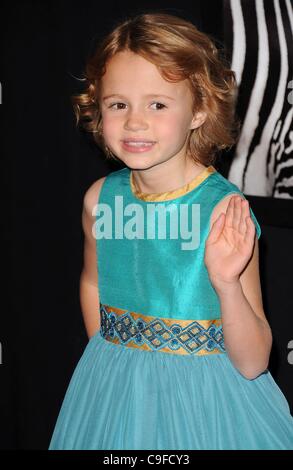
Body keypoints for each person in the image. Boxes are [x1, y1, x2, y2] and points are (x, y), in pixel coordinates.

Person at [49, 12, 293, 450]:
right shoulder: (98, 199)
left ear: (199, 109)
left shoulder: (223, 211)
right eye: (118, 104)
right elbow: (93, 282)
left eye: (158, 104)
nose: (135, 122)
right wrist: (108, 366)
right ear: (97, 108)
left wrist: (225, 283)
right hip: (113, 397)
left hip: (207, 410)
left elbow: (255, 361)